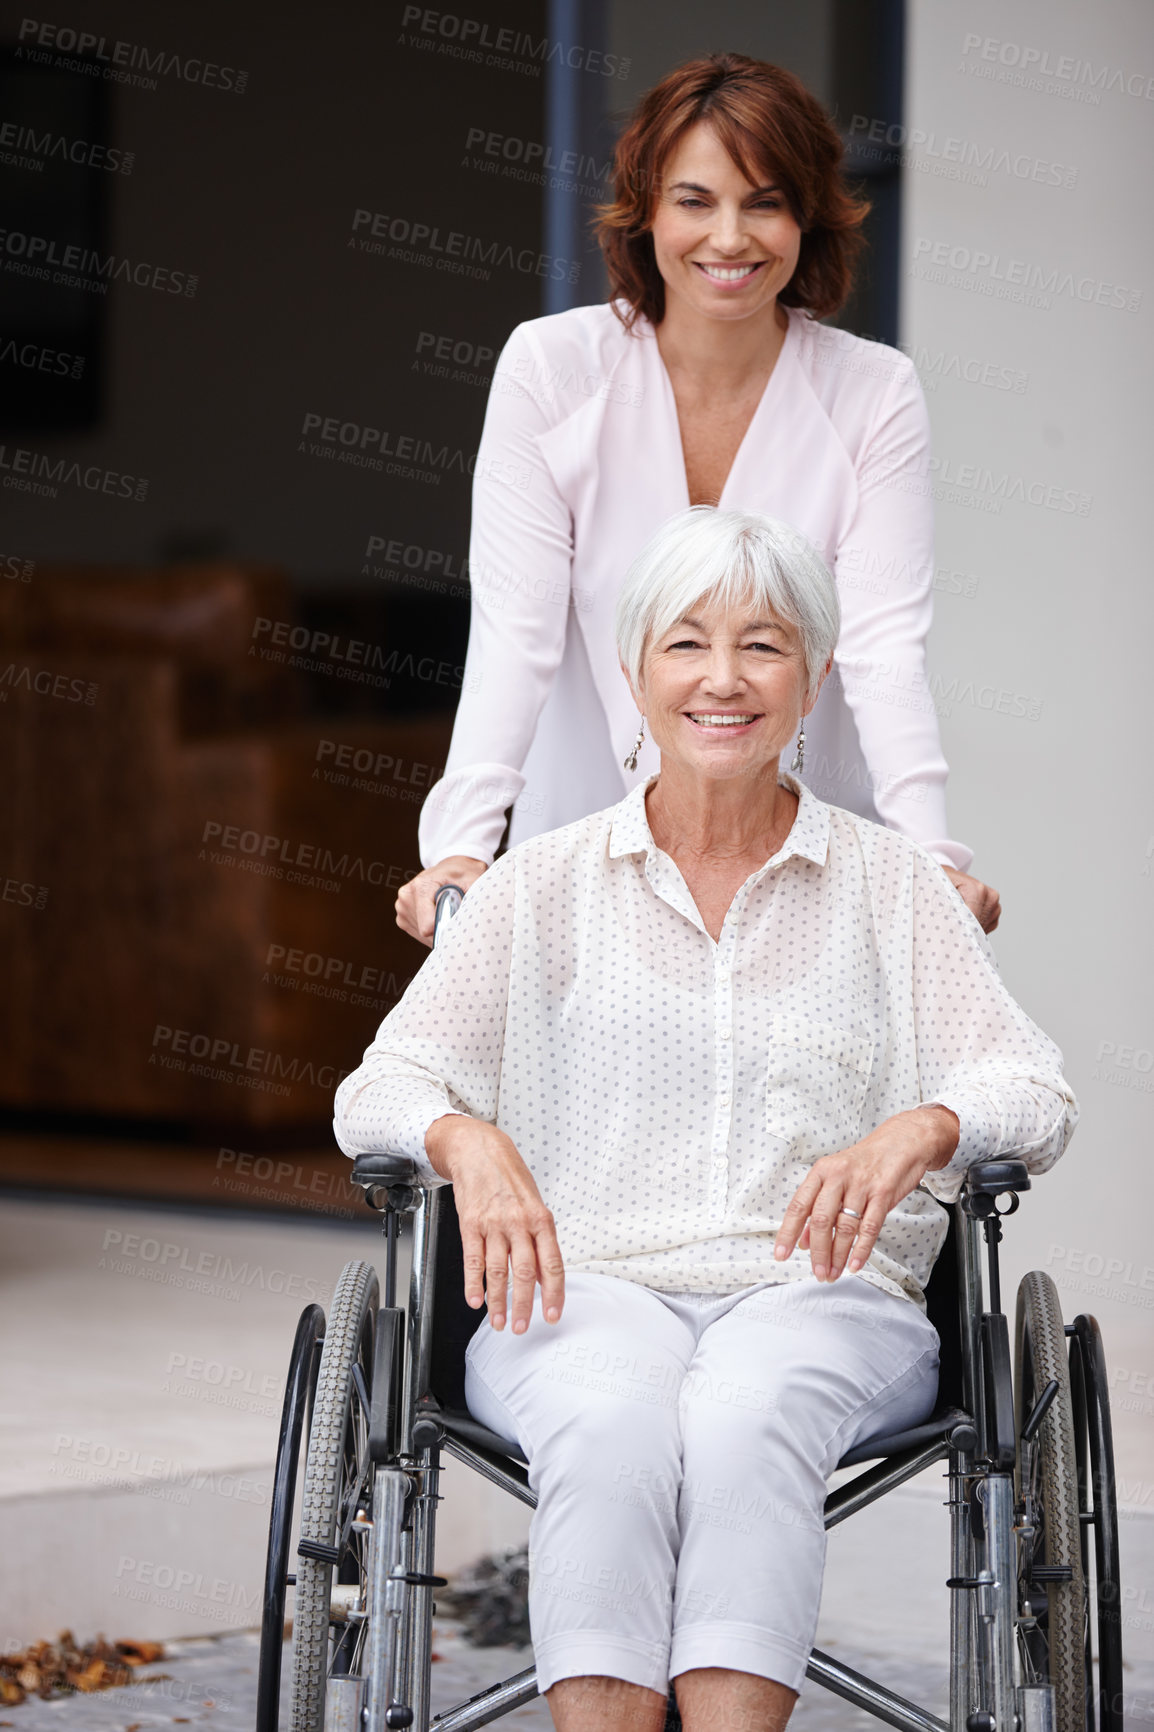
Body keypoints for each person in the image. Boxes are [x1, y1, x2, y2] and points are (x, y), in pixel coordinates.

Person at [336, 508, 1075, 1732]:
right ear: (634, 673)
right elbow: (380, 1084)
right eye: (686, 644)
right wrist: (465, 1138)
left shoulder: (895, 888)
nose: (722, 680)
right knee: (614, 1416)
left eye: (764, 647)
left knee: (743, 1411)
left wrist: (921, 1128)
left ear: (814, 677)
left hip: (820, 1296)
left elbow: (1033, 1090)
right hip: (584, 1289)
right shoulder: (542, 884)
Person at [398, 51, 1002, 949]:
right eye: (694, 201)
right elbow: (514, 635)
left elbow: (882, 647)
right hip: (583, 856)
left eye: (765, 202)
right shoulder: (551, 371)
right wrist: (459, 846)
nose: (730, 238)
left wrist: (928, 849)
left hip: (804, 865)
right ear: (644, 213)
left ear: (808, 218)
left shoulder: (874, 392)